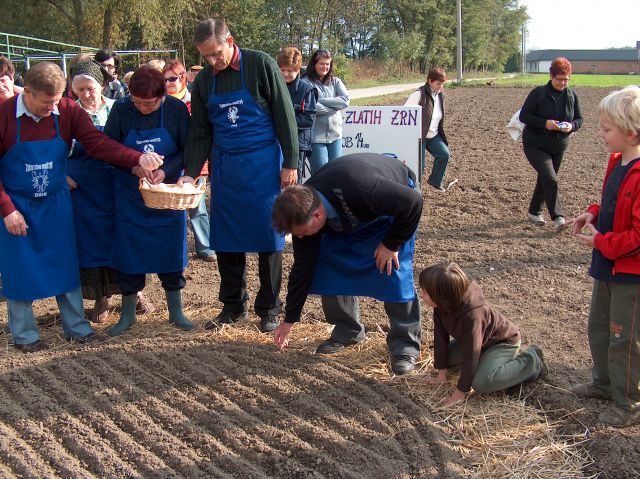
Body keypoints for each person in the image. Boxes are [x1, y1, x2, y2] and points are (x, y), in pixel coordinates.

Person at [0, 61, 163, 352]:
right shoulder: (4, 116)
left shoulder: (67, 111)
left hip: (56, 203)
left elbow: (98, 143)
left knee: (65, 265)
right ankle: (25, 334)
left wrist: (135, 159)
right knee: (19, 268)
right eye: (46, 102)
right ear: (27, 92)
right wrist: (7, 209)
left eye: (56, 101)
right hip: (18, 206)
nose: (52, 108)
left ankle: (76, 327)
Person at [180, 18, 298, 334]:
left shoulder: (260, 64)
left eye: (216, 53)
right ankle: (233, 306)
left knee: (268, 237)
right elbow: (200, 131)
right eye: (206, 57)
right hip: (226, 168)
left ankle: (269, 308)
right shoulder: (205, 81)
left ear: (230, 41)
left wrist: (291, 161)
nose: (213, 61)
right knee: (227, 238)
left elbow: (284, 114)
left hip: (263, 166)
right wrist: (191, 173)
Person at [272, 152, 422, 375]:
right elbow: (302, 269)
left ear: (317, 215)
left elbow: (412, 202)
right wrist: (290, 319)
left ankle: (405, 344)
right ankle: (348, 330)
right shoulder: (304, 211)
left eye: (302, 233)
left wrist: (392, 244)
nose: (301, 238)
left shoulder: (362, 187)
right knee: (327, 264)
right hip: (348, 216)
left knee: (392, 269)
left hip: (392, 208)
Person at [567, 86, 640, 428]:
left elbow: (638, 237)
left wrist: (602, 242)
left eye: (607, 129)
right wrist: (592, 215)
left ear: (631, 132)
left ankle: (628, 403)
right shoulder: (616, 161)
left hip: (630, 273)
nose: (601, 134)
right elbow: (610, 202)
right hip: (607, 264)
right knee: (599, 326)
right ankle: (603, 383)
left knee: (623, 338)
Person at [104, 65, 192, 336]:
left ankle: (176, 311)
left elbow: (187, 150)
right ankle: (128, 314)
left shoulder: (176, 111)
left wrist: (165, 171)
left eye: (149, 103)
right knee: (129, 255)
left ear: (162, 96)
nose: (142, 107)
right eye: (137, 102)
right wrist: (134, 167)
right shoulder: (121, 109)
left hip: (167, 197)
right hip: (131, 197)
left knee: (170, 252)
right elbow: (109, 148)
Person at [419, 262, 546, 407]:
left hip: (500, 342)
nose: (421, 295)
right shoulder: (442, 305)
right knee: (443, 359)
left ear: (442, 296)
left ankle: (533, 361)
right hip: (477, 342)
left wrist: (460, 392)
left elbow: (472, 353)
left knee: (482, 383)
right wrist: (441, 375)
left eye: (425, 292)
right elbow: (440, 337)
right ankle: (485, 362)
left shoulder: (472, 316)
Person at [519, 57, 583, 231]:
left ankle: (534, 211)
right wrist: (545, 123)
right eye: (559, 79)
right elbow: (524, 116)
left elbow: (579, 119)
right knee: (551, 178)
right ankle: (558, 217)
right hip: (536, 145)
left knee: (545, 178)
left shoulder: (571, 95)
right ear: (551, 76)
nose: (563, 83)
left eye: (566, 79)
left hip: (559, 146)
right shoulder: (538, 93)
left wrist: (572, 126)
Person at [162, 59, 215, 262]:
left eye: (172, 79)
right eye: (165, 80)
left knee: (197, 206)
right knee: (170, 209)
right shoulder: (162, 105)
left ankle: (205, 246)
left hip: (195, 162)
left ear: (183, 78)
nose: (168, 84)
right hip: (170, 164)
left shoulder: (195, 102)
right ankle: (172, 248)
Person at [404, 67, 450, 192]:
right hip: (419, 136)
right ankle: (414, 190)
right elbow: (404, 113)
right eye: (438, 83)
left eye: (442, 84)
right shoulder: (419, 94)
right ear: (430, 81)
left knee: (444, 154)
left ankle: (435, 181)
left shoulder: (441, 96)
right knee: (420, 166)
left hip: (433, 135)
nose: (440, 86)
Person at [304, 50, 349, 175]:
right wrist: (334, 108)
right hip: (316, 139)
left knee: (335, 173)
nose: (325, 67)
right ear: (314, 64)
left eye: (327, 64)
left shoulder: (335, 81)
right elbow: (311, 107)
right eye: (322, 64)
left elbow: (345, 100)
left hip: (336, 136)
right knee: (320, 175)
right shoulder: (305, 82)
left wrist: (321, 100)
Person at [277, 47, 317, 182]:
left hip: (297, 145)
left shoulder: (306, 89)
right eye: (282, 70)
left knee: (293, 184)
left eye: (290, 71)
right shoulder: (272, 87)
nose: (285, 74)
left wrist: (283, 123)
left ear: (298, 70)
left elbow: (308, 119)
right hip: (275, 143)